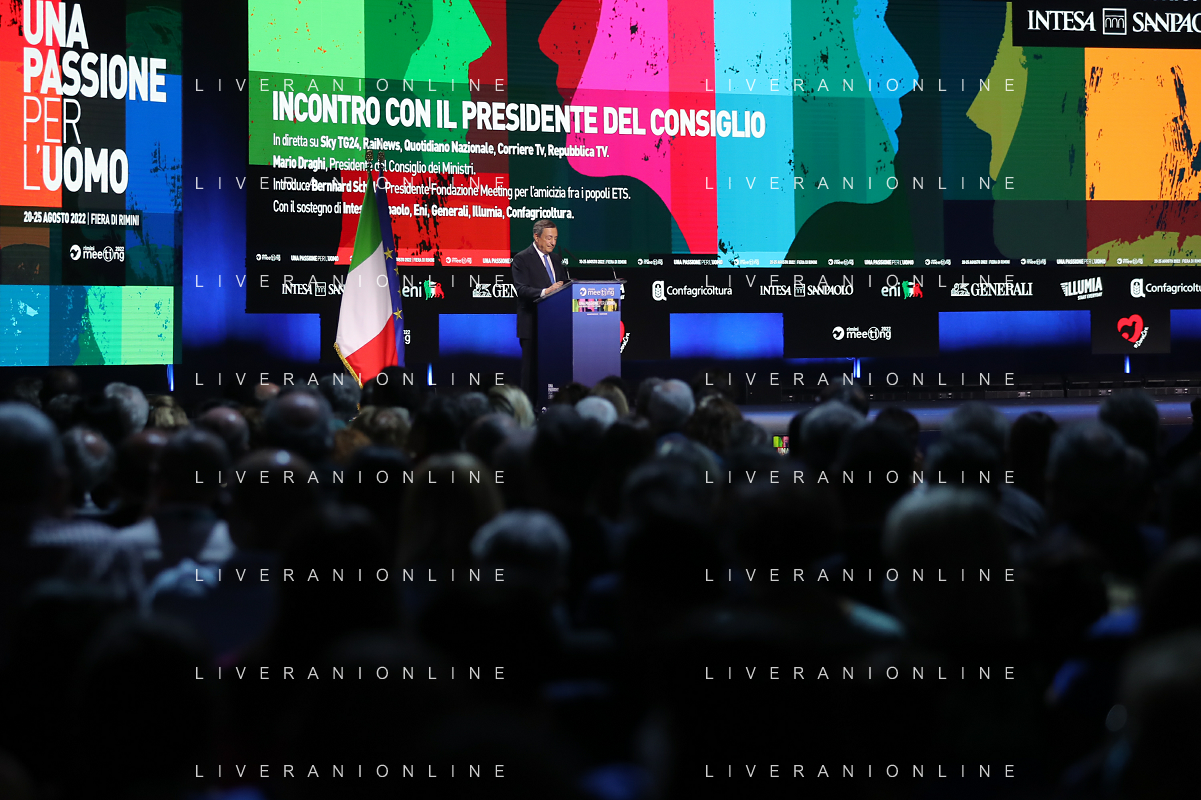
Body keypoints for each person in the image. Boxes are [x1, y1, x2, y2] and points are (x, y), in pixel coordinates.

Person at [512, 219, 566, 402]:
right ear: (536, 237)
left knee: (553, 369)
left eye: (555, 238)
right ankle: (528, 409)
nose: (553, 242)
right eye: (549, 238)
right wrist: (546, 291)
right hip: (532, 323)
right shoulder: (522, 258)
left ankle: (551, 405)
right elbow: (521, 289)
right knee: (530, 372)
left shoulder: (556, 259)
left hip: (554, 326)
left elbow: (563, 286)